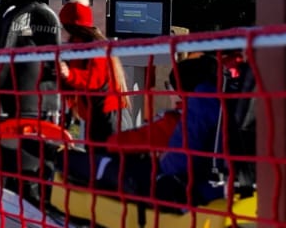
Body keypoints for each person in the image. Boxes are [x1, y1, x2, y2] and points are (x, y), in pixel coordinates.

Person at [94, 55, 226, 207]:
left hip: (180, 192)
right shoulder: (223, 113)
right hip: (214, 188)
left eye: (168, 85)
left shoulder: (174, 121)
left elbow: (122, 142)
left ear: (179, 93)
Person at [55, 0, 130, 143]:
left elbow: (96, 78)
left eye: (64, 27)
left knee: (105, 160)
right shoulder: (79, 45)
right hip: (96, 115)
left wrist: (69, 74)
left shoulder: (95, 47)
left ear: (72, 27)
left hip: (107, 116)